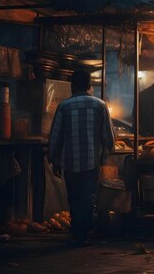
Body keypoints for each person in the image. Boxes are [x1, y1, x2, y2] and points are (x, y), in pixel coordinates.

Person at [48, 69, 115, 245]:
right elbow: (108, 135)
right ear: (89, 86)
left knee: (74, 196)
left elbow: (55, 136)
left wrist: (54, 159)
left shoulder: (64, 106)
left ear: (72, 86)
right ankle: (83, 232)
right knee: (88, 196)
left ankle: (78, 229)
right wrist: (107, 152)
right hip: (91, 161)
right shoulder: (100, 105)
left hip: (70, 162)